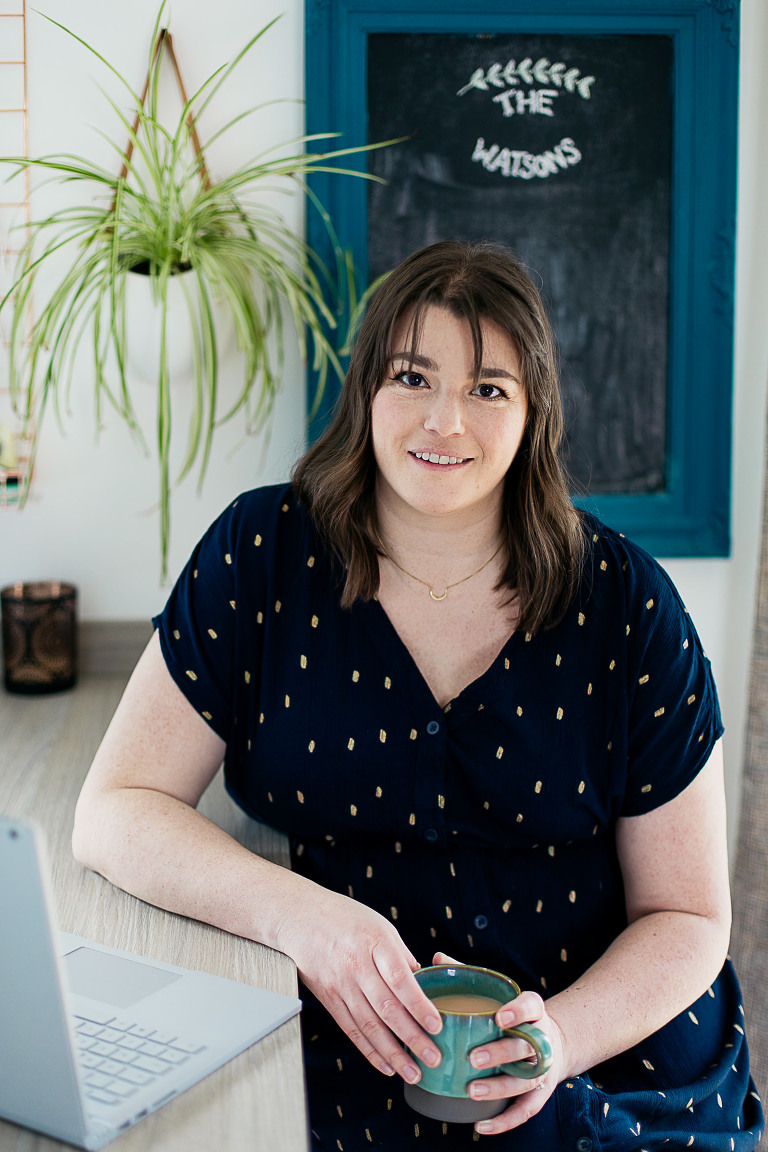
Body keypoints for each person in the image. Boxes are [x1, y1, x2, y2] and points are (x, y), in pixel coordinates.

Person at [73, 239, 764, 1150]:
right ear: (366, 391)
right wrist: (308, 920)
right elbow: (116, 811)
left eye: (488, 388)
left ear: (534, 414)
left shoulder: (630, 604)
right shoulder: (260, 554)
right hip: (343, 1030)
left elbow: (689, 916)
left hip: (598, 1046)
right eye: (412, 376)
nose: (444, 420)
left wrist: (559, 1041)